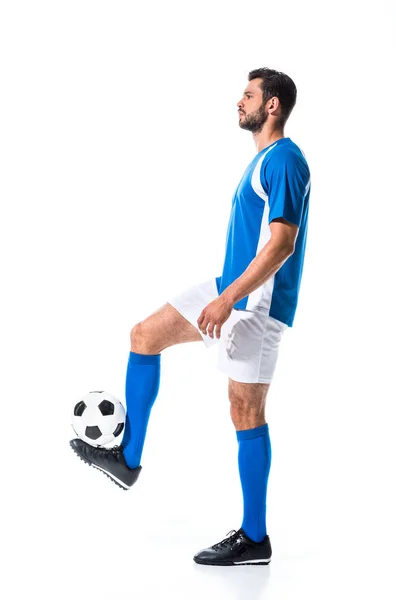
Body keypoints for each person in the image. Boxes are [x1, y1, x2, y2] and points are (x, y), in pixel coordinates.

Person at [70, 67, 311, 566]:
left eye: (248, 95)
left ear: (272, 106)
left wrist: (230, 301)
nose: (238, 102)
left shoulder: (286, 159)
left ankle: (254, 537)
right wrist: (222, 294)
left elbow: (282, 243)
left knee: (245, 412)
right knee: (143, 335)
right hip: (227, 289)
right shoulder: (263, 160)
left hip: (255, 306)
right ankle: (128, 461)